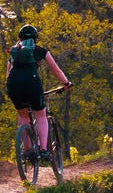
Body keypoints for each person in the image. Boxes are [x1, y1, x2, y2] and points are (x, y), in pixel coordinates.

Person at [6, 24, 72, 159]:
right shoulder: (40, 51)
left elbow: (8, 75)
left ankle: (27, 150)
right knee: (41, 115)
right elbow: (56, 70)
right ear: (36, 38)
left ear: (20, 38)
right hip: (32, 82)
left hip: (13, 84)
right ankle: (43, 150)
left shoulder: (14, 52)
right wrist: (66, 83)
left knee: (23, 115)